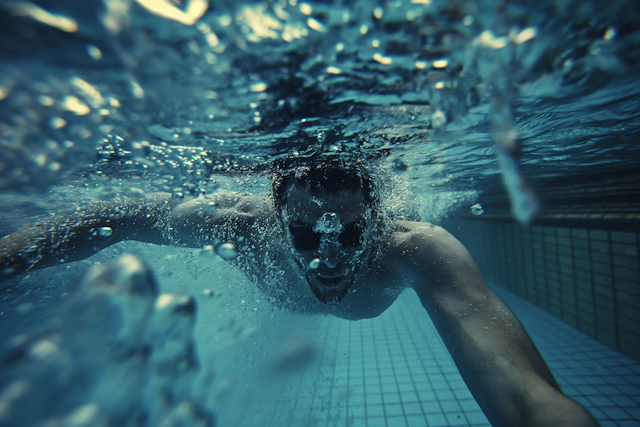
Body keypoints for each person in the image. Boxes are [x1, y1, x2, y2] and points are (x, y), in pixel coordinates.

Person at [0, 158, 598, 427]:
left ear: (378, 217)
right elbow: (119, 215)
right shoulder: (236, 222)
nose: (330, 258)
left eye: (351, 232)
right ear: (276, 217)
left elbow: (524, 396)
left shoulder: (416, 248)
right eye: (307, 233)